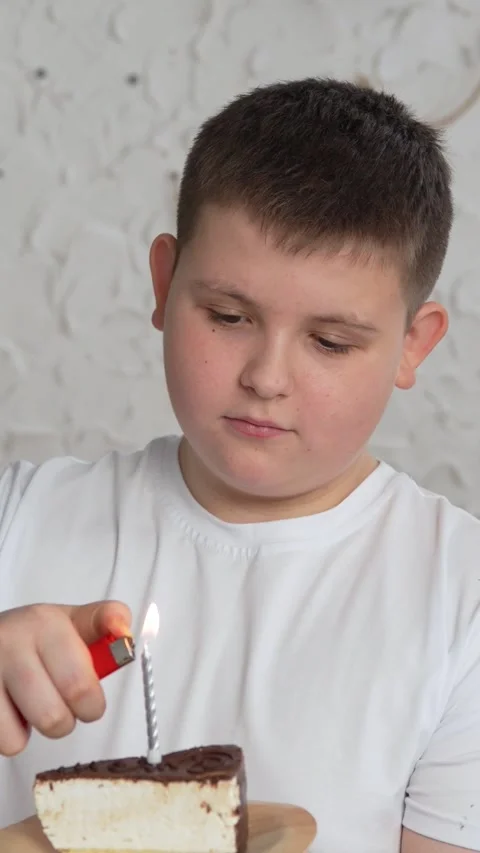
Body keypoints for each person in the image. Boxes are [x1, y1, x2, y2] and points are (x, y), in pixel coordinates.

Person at [0, 76, 478, 853]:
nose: (267, 376)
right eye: (228, 316)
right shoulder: (18, 522)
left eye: (330, 341)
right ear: (164, 284)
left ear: (412, 345)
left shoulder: (459, 599)